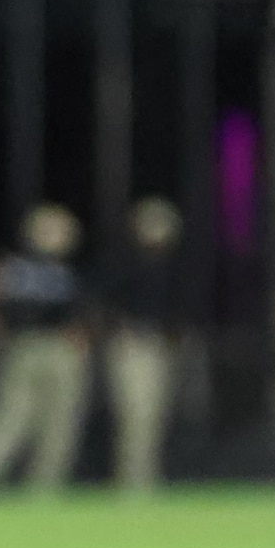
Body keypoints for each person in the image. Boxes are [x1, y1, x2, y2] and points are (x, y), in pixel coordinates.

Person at [0, 207, 95, 492]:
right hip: (32, 346)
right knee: (15, 414)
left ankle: (44, 486)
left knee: (59, 420)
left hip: (52, 348)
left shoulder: (65, 268)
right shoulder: (22, 268)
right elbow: (6, 309)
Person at [105, 200, 185, 492]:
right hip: (132, 345)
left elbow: (177, 314)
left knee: (154, 418)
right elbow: (108, 305)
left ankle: (145, 480)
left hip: (160, 349)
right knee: (134, 416)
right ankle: (131, 482)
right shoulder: (126, 264)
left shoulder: (171, 268)